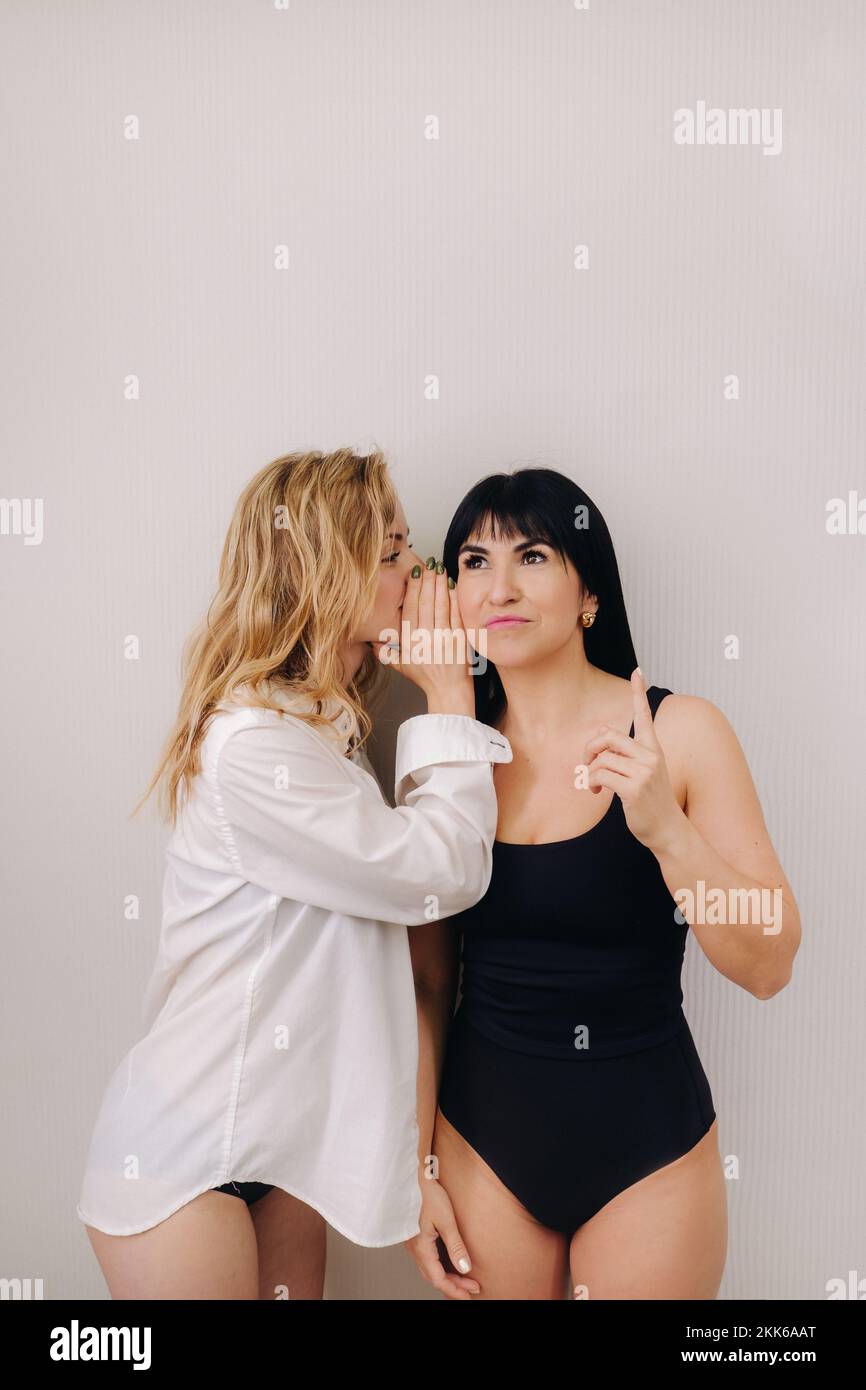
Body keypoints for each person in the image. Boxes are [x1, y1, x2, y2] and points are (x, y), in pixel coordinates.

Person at [75, 447, 513, 1299]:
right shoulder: (254, 749)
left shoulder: (319, 734)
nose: (415, 572)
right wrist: (450, 696)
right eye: (390, 552)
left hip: (283, 1151)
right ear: (323, 570)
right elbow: (443, 870)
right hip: (182, 1159)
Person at [406, 466, 801, 1300]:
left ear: (589, 590)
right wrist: (415, 1166)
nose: (500, 587)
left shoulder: (682, 732)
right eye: (474, 562)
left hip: (648, 1149)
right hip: (482, 1144)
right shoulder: (447, 750)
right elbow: (427, 981)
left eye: (533, 556)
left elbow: (769, 964)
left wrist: (663, 827)